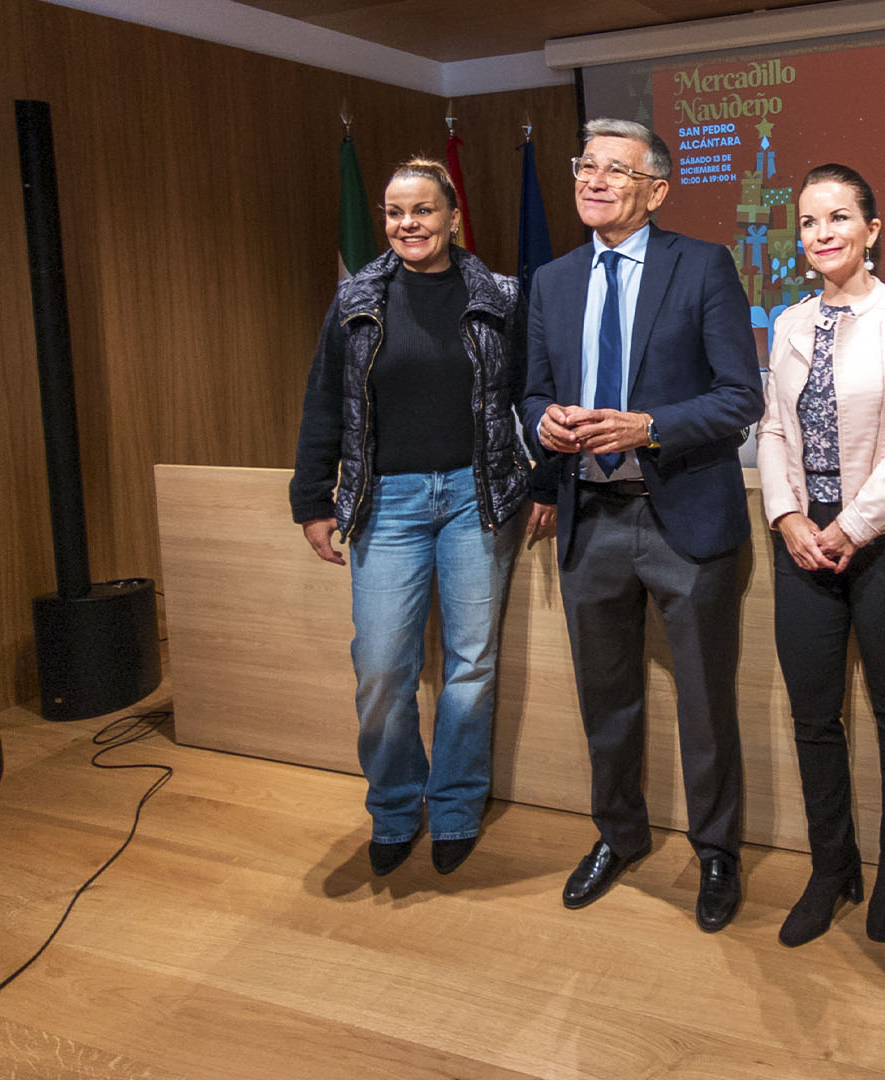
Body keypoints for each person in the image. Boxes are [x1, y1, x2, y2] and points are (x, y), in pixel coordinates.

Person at [522, 119, 763, 933]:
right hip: (590, 521)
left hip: (685, 519)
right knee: (608, 699)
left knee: (704, 701)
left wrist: (647, 426)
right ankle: (617, 835)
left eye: (614, 170)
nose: (592, 179)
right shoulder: (551, 280)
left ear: (656, 190)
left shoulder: (702, 267)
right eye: (585, 164)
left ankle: (716, 851)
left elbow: (741, 397)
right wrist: (543, 424)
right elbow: (528, 395)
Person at [289, 157, 556, 878]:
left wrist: (547, 483)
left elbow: (536, 394)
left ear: (452, 216)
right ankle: (396, 806)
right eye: (395, 213)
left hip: (477, 498)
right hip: (389, 504)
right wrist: (312, 498)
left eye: (423, 211)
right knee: (381, 668)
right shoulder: (357, 300)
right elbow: (323, 404)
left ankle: (458, 807)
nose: (409, 225)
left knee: (470, 664)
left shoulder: (500, 296)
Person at [756, 164, 885, 947]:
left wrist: (852, 527)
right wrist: (788, 517)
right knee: (812, 716)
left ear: (872, 230)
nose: (822, 233)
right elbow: (772, 431)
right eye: (808, 222)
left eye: (839, 218)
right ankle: (833, 867)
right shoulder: (791, 322)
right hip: (803, 542)